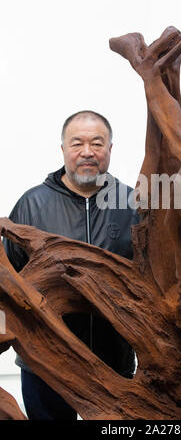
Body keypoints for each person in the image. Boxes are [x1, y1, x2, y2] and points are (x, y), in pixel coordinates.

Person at [3, 110, 139, 420]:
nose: (87, 152)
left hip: (114, 363)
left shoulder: (132, 205)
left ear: (110, 149)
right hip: (45, 365)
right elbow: (6, 282)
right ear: (63, 149)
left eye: (97, 143)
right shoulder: (31, 204)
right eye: (77, 143)